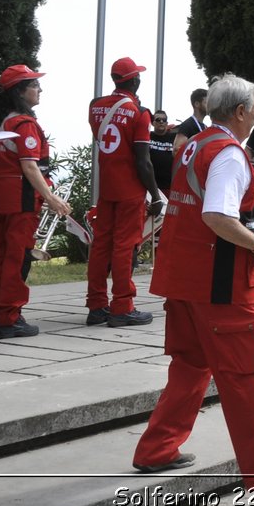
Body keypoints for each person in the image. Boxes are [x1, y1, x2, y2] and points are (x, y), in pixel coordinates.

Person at [132, 74, 254, 495]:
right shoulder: (228, 154)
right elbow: (217, 217)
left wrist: (251, 191)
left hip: (185, 280)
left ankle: (157, 449)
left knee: (189, 368)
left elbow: (202, 198)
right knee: (248, 377)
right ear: (241, 111)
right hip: (221, 286)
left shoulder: (194, 143)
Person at [0, 64, 71, 339]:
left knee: (1, 256)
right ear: (20, 92)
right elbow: (30, 167)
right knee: (17, 257)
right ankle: (9, 317)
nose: (39, 89)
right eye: (34, 85)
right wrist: (51, 197)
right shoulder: (24, 124)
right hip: (20, 199)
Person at [86, 56, 163, 327]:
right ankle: (122, 306)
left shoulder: (95, 107)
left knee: (101, 245)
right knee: (124, 246)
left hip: (106, 188)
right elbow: (143, 161)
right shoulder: (139, 113)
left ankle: (96, 305)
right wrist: (155, 194)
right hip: (130, 188)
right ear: (134, 80)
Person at [171, 88, 208, 159]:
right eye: (206, 103)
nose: (209, 106)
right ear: (197, 104)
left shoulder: (205, 127)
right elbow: (176, 151)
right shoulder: (187, 125)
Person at [148, 110, 177, 195]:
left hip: (169, 186)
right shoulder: (146, 136)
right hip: (149, 186)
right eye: (158, 119)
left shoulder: (175, 138)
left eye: (164, 120)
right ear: (153, 123)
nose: (161, 122)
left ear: (167, 123)